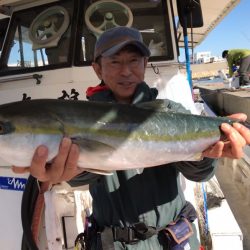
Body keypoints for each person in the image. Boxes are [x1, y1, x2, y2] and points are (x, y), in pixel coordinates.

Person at [14, 27, 250, 250]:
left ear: (145, 63)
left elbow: (199, 173)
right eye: (115, 61)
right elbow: (87, 173)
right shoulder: (84, 117)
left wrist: (207, 155)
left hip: (172, 240)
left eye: (134, 61)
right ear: (97, 68)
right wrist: (66, 171)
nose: (125, 71)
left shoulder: (170, 110)